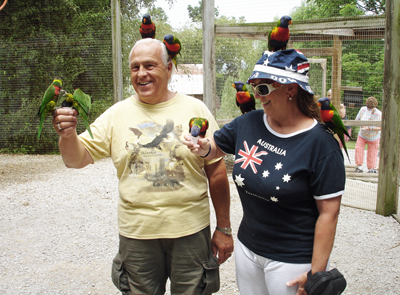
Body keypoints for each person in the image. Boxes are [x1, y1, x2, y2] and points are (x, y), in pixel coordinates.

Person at [52, 38, 233, 295]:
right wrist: (67, 136)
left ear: (168, 68)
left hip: (190, 231)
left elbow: (216, 170)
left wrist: (224, 227)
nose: (141, 73)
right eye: (135, 67)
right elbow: (74, 160)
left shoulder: (196, 109)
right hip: (137, 235)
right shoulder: (117, 114)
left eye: (150, 65)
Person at [184, 49, 345, 295]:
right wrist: (203, 148)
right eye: (254, 87)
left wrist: (316, 273)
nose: (256, 96)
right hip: (248, 248)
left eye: (263, 88)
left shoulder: (321, 145)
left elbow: (329, 214)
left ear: (290, 89)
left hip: (292, 259)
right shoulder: (249, 123)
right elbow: (216, 148)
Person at [354, 96, 382, 173]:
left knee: (372, 153)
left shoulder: (379, 114)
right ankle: (359, 167)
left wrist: (371, 128)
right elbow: (357, 120)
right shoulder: (362, 110)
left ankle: (371, 168)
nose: (369, 108)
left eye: (371, 107)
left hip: (374, 137)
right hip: (362, 135)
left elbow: (381, 127)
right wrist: (361, 124)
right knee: (358, 149)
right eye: (368, 107)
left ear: (375, 106)